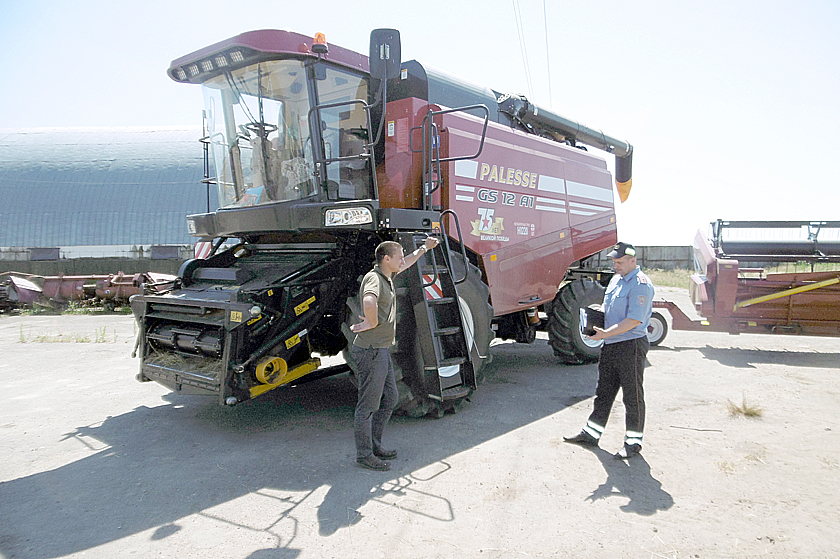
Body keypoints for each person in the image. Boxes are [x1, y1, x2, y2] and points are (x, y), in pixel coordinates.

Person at [350, 236, 440, 471]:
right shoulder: (374, 279)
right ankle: (364, 454)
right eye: (398, 256)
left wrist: (423, 248)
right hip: (370, 351)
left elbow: (408, 262)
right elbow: (369, 299)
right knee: (368, 406)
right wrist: (370, 322)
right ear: (386, 258)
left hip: (380, 350)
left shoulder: (387, 275)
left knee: (390, 397)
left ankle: (375, 445)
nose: (402, 260)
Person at [564, 242, 655, 459]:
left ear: (633, 260)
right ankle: (591, 434)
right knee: (603, 392)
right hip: (612, 344)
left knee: (632, 396)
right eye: (614, 262)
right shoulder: (616, 280)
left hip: (631, 345)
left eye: (620, 262)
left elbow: (634, 320)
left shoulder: (641, 284)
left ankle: (633, 443)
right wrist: (597, 314)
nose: (616, 266)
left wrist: (605, 334)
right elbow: (610, 307)